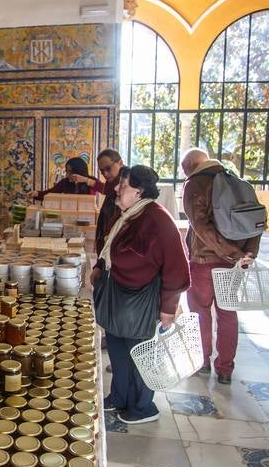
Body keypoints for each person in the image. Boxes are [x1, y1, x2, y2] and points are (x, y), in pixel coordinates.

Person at [91, 165, 190, 424]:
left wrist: (168, 308)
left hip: (140, 301)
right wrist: (99, 267)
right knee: (118, 351)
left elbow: (177, 269)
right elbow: (110, 248)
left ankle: (143, 407)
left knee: (140, 356)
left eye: (122, 186)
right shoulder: (130, 215)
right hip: (118, 297)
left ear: (139, 192)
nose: (116, 189)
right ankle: (119, 397)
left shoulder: (157, 219)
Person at [181, 148, 260, 384]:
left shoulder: (195, 184)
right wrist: (246, 254)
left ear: (193, 165)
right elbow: (256, 222)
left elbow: (201, 228)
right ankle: (225, 369)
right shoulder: (238, 182)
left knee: (200, 312)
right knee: (227, 313)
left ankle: (202, 362)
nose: (185, 175)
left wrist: (233, 253)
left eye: (185, 170)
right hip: (233, 264)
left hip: (204, 261)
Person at [69, 148, 124, 254]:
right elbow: (106, 189)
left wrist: (86, 180)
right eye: (102, 171)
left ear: (120, 163)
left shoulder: (127, 183)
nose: (105, 174)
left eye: (108, 168)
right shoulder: (112, 181)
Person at [29, 157, 97, 201]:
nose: (67, 174)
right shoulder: (65, 182)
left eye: (70, 172)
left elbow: (103, 189)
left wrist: (85, 180)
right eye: (67, 171)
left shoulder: (91, 181)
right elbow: (50, 194)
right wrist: (37, 194)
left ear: (78, 171)